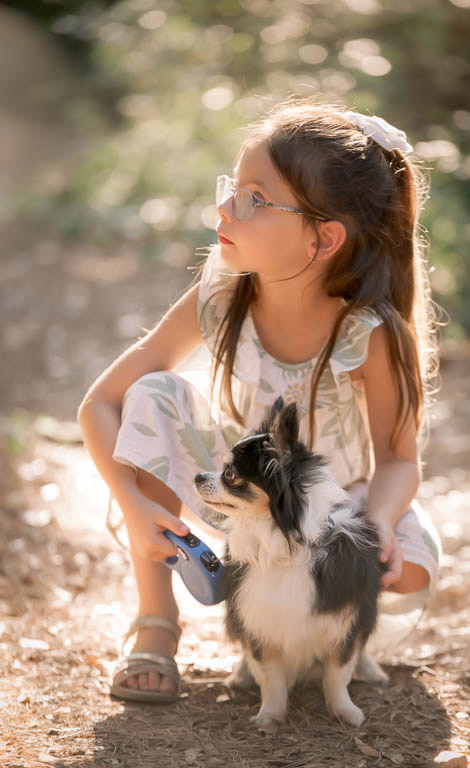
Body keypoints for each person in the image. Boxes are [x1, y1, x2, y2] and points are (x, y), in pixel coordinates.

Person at [77, 96, 442, 703]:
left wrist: (377, 525)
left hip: (334, 514)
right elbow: (100, 403)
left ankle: (326, 615)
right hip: (238, 498)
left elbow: (400, 459)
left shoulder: (368, 333)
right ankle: (155, 624)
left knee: (413, 569)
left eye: (253, 199)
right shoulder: (222, 293)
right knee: (152, 392)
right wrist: (133, 508)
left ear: (323, 238)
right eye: (231, 186)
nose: (224, 207)